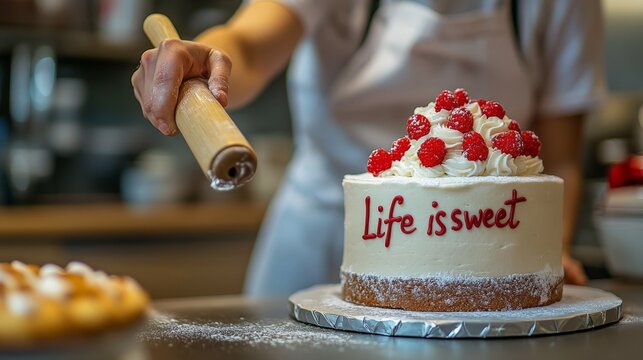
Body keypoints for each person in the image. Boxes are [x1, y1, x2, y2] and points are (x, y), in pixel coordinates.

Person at [132, 0, 603, 296]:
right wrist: (207, 59)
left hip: (482, 255)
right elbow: (249, 46)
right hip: (318, 235)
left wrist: (543, 252)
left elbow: (559, 157)